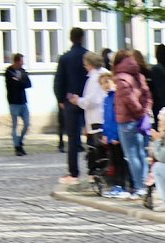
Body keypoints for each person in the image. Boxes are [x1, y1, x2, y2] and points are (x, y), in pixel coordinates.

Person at [113, 49, 153, 198]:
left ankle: (139, 186)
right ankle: (144, 185)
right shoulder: (139, 75)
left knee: (132, 155)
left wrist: (138, 113)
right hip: (142, 120)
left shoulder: (121, 78)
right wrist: (145, 112)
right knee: (142, 153)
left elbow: (128, 100)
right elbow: (148, 95)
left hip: (127, 121)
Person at [54, 27, 89, 185]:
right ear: (82, 38)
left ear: (70, 38)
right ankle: (94, 169)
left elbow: (59, 81)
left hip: (70, 101)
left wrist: (61, 100)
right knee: (94, 135)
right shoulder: (87, 56)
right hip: (89, 100)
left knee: (73, 138)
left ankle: (73, 172)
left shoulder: (65, 58)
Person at [68, 52, 106, 178]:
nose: (85, 67)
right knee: (101, 149)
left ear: (89, 64)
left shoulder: (94, 78)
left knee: (95, 149)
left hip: (96, 118)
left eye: (85, 64)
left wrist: (78, 100)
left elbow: (91, 101)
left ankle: (96, 175)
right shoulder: (104, 73)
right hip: (102, 117)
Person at [98, 71, 129, 198]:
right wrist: (105, 134)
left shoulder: (116, 98)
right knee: (114, 162)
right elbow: (106, 119)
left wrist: (116, 136)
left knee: (120, 161)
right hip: (110, 136)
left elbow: (117, 118)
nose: (105, 85)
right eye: (102, 83)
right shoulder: (106, 99)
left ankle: (122, 185)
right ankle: (116, 185)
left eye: (107, 81)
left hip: (117, 136)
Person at [5, 53, 31, 157]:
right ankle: (17, 147)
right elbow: (12, 85)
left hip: (23, 102)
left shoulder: (22, 71)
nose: (23, 63)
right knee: (15, 126)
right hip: (13, 102)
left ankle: (20, 142)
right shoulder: (9, 71)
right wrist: (20, 82)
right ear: (16, 61)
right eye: (21, 61)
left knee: (27, 124)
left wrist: (19, 81)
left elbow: (28, 84)